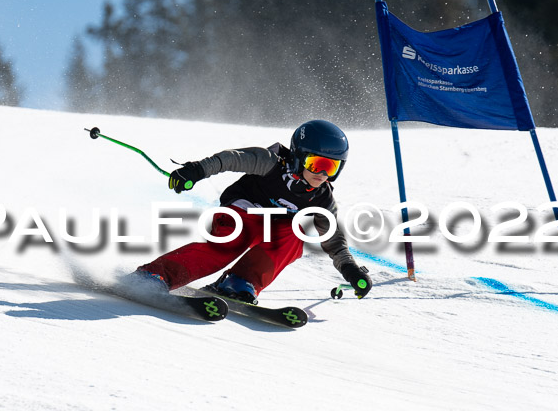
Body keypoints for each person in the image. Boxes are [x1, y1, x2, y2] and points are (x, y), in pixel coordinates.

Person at [125, 119, 373, 304]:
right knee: (231, 242)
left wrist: (350, 270)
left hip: (272, 229)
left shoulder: (322, 199)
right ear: (299, 157)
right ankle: (155, 275)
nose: (322, 174)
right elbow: (230, 159)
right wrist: (196, 171)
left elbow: (334, 241)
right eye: (316, 164)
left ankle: (240, 282)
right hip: (240, 214)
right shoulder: (270, 162)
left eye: (331, 167)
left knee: (296, 235)